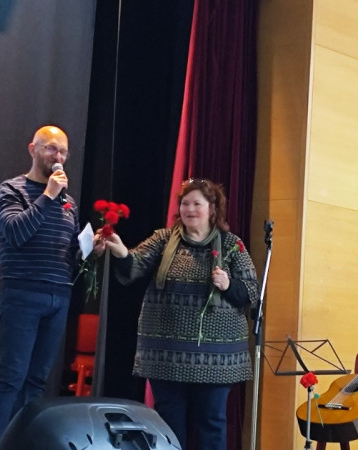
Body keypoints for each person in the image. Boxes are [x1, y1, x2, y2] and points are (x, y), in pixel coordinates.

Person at [99, 178, 258, 450]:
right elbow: (135, 265)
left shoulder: (232, 245)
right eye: (185, 203)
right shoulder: (163, 239)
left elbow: (251, 293)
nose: (189, 209)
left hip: (217, 360)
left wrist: (229, 284)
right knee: (168, 423)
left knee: (211, 424)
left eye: (197, 203)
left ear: (212, 209)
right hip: (166, 355)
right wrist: (121, 250)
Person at [0, 125, 95, 449]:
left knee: (37, 381)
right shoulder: (11, 190)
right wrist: (48, 196)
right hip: (23, 295)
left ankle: (24, 444)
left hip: (59, 297)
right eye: (51, 149)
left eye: (63, 152)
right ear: (33, 149)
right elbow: (15, 232)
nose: (58, 157)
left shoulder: (68, 202)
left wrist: (90, 248)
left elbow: (69, 250)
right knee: (10, 378)